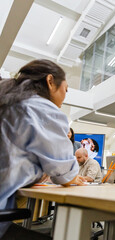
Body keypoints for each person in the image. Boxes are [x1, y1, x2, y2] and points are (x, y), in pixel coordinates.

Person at [0, 59, 84, 240]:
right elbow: (66, 176)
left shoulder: (7, 99)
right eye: (66, 90)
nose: (65, 96)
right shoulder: (42, 108)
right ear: (50, 81)